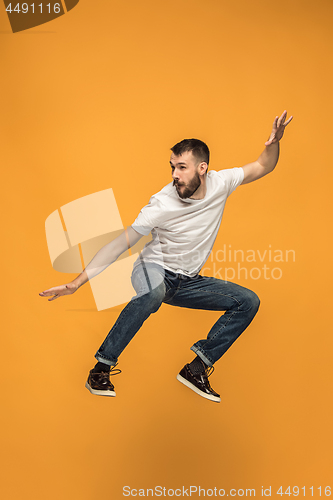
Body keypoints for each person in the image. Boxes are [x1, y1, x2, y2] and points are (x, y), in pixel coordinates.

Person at [39, 110, 293, 403]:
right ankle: (101, 368)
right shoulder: (161, 204)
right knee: (153, 292)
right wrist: (78, 282)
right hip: (152, 269)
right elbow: (121, 242)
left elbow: (263, 165)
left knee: (247, 301)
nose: (174, 175)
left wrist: (273, 143)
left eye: (181, 167)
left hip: (187, 282)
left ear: (202, 168)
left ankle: (196, 368)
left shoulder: (221, 183)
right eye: (172, 167)